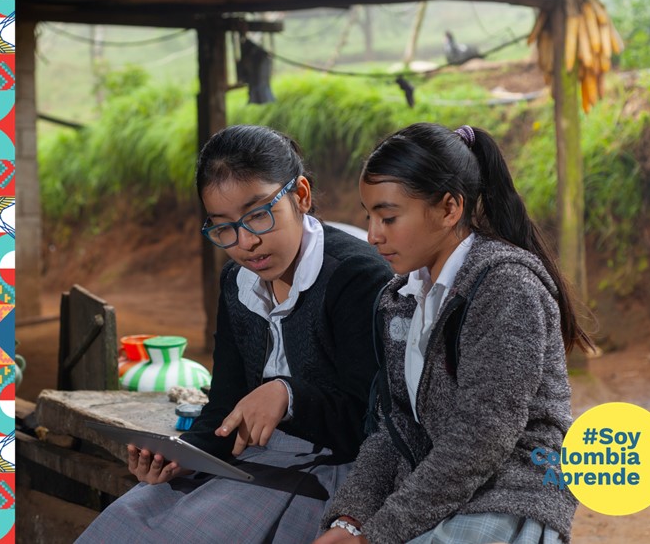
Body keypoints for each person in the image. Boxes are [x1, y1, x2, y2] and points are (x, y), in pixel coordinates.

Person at [77, 125, 391, 543]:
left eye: (259, 214)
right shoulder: (237, 282)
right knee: (129, 521)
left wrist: (288, 394)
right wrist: (184, 457)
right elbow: (224, 403)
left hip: (334, 470)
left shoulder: (354, 277)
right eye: (223, 227)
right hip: (254, 460)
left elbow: (372, 423)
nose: (245, 243)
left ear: (300, 195)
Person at [315, 123, 593, 544]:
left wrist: (379, 533)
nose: (372, 235)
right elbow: (394, 426)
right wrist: (350, 520)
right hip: (437, 493)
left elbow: (481, 438)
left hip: (509, 497)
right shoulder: (401, 297)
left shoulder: (507, 288)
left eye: (388, 217)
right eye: (368, 215)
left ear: (449, 209)